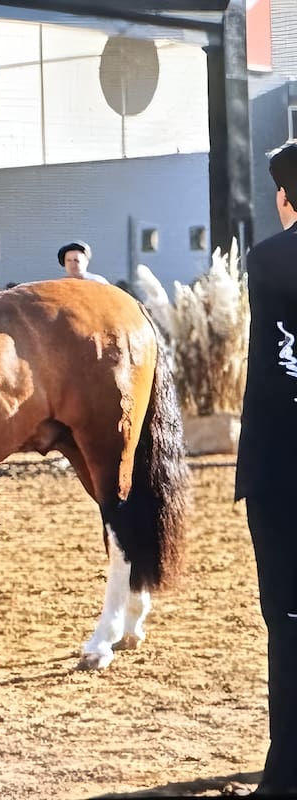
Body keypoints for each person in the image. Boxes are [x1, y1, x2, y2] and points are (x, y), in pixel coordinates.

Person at [236, 141, 297, 797]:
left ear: (285, 197)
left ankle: (288, 773)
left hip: (284, 472)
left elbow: (275, 375)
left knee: (286, 620)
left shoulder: (273, 259)